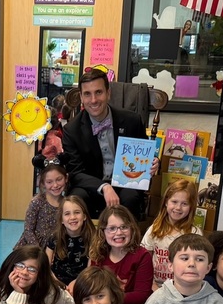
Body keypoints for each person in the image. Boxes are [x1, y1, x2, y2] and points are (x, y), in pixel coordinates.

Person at [62, 67, 158, 218]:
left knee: (131, 197)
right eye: (87, 94)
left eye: (98, 92)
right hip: (91, 187)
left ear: (108, 93)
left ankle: (126, 240)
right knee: (76, 200)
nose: (93, 100)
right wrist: (104, 186)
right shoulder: (71, 130)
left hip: (125, 183)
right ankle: (82, 241)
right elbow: (75, 173)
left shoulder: (132, 121)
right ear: (81, 97)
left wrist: (152, 164)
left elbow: (142, 157)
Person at [91, 204, 154, 304]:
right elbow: (92, 288)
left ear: (132, 229)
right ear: (103, 232)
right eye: (112, 228)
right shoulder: (98, 254)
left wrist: (107, 299)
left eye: (124, 227)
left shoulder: (142, 255)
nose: (118, 233)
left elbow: (141, 295)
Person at [142, 178, 202, 290]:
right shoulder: (154, 229)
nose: (178, 208)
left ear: (191, 206)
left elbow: (198, 265)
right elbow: (145, 259)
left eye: (184, 204)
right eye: (174, 202)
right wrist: (152, 285)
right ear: (166, 202)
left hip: (182, 288)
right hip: (155, 286)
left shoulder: (194, 233)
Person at [46, 193, 98, 294]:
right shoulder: (54, 237)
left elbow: (90, 269)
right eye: (67, 214)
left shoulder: (93, 238)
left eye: (77, 212)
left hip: (82, 281)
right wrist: (56, 283)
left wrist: (76, 283)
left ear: (84, 216)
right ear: (61, 219)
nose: (73, 217)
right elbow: (45, 265)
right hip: (55, 280)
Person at [17, 157, 68, 249]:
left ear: (66, 178)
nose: (55, 185)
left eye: (59, 179)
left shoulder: (67, 204)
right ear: (43, 183)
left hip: (56, 247)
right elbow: (28, 230)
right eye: (49, 182)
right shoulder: (37, 202)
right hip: (34, 247)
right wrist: (39, 252)